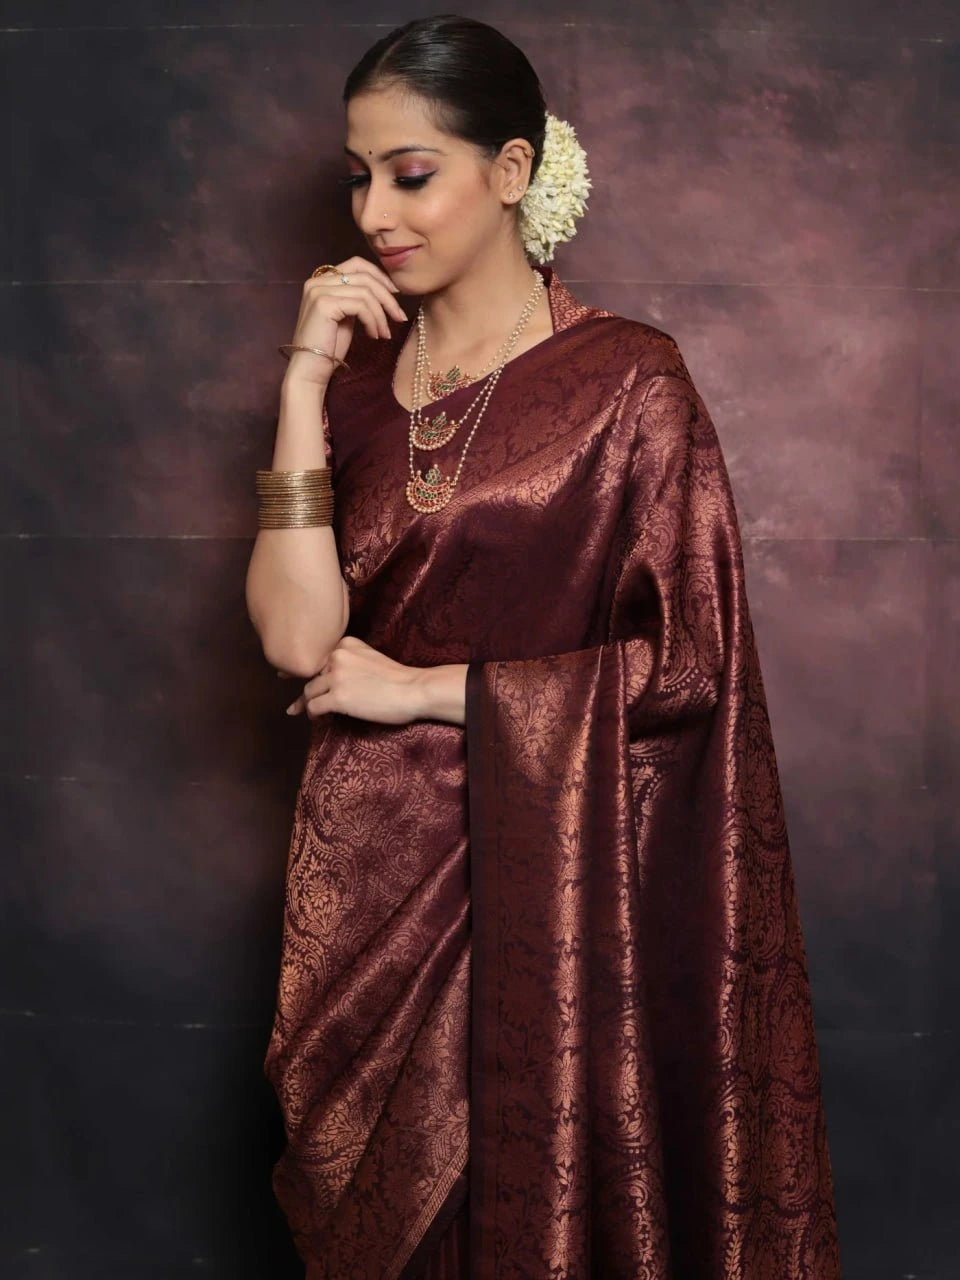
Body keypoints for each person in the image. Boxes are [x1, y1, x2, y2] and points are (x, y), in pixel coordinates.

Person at [245, 14, 843, 1280]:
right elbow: (299, 639)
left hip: (559, 877)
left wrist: (424, 688)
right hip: (367, 874)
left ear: (511, 169)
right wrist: (300, 380)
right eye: (358, 176)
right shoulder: (352, 386)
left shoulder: (630, 382)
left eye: (411, 173)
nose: (372, 213)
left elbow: (692, 663)